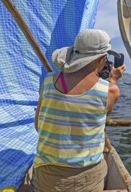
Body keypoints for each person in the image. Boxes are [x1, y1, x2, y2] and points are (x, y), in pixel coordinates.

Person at [32, 29, 126, 192]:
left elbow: (38, 126)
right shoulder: (110, 91)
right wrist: (113, 80)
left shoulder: (48, 82)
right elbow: (104, 115)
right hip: (88, 178)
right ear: (101, 59)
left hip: (47, 178)